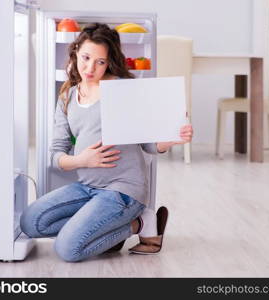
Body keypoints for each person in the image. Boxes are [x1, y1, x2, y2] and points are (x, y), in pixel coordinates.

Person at [20, 23, 193, 262]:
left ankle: (140, 223)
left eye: (100, 62)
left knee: (67, 249)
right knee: (31, 222)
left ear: (109, 62)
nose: (90, 68)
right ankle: (105, 229)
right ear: (76, 52)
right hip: (87, 187)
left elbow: (148, 145)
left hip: (122, 190)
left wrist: (170, 140)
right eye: (86, 57)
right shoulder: (68, 96)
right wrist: (82, 160)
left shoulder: (121, 89)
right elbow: (56, 155)